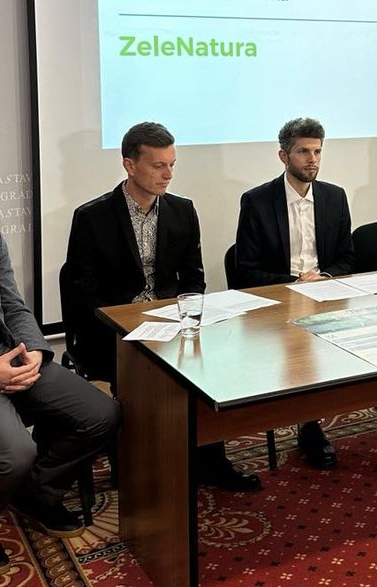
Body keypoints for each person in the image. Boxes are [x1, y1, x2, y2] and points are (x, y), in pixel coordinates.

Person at [0, 129, 119, 576]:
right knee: (14, 451)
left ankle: (36, 490)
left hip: (6, 352)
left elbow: (14, 306)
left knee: (101, 414)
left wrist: (35, 349)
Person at [66, 122, 261, 491]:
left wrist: (187, 317)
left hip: (172, 323)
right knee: (150, 371)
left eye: (172, 164)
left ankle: (210, 459)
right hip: (113, 333)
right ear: (129, 165)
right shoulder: (92, 217)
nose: (168, 174)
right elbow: (84, 293)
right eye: (158, 166)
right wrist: (127, 324)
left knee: (212, 363)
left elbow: (194, 278)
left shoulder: (182, 211)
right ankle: (137, 463)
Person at [233, 117, 353, 469]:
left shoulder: (334, 197)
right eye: (303, 152)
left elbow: (348, 257)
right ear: (283, 156)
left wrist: (324, 277)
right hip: (280, 301)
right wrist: (294, 283)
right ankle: (309, 424)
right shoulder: (257, 201)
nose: (312, 159)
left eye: (317, 151)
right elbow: (245, 271)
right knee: (300, 347)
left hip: (326, 296)